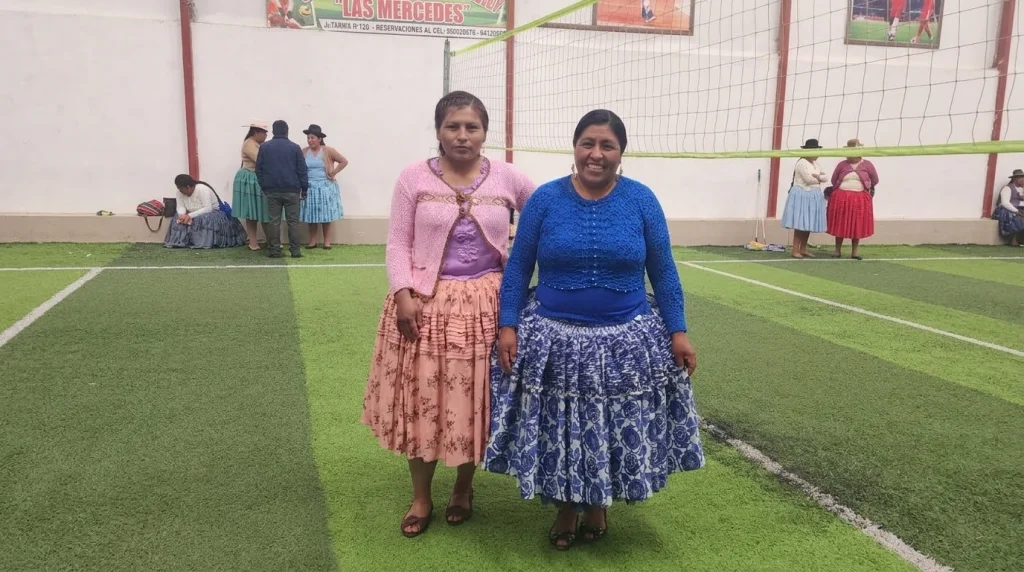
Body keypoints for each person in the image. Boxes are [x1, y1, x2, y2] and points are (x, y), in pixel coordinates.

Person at [483, 109, 704, 551]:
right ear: (575, 147)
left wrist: (678, 331)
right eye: (588, 143)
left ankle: (600, 504)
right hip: (553, 338)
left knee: (607, 423)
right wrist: (508, 324)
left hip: (625, 340)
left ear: (621, 153)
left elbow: (663, 270)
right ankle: (565, 507)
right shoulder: (545, 200)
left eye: (607, 145)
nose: (596, 154)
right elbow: (519, 267)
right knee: (561, 426)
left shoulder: (641, 200)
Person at [360, 91, 535, 538]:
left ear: (484, 132)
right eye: (453, 126)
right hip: (424, 306)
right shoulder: (412, 178)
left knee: (471, 402)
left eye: (471, 127)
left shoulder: (509, 178)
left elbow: (547, 213)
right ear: (438, 130)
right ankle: (421, 496)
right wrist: (402, 292)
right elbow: (398, 241)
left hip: (486, 308)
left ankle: (463, 487)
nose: (462, 135)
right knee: (423, 402)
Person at [256, 120, 308, 259]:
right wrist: (304, 189)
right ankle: (295, 251)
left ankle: (274, 251)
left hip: (272, 190)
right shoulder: (295, 148)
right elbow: (302, 170)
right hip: (292, 190)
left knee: (274, 222)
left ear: (273, 131)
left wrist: (264, 186)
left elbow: (259, 170)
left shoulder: (264, 147)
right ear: (287, 131)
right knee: (293, 222)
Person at [164, 175, 247, 249]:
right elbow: (180, 206)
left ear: (188, 187)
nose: (180, 191)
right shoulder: (179, 193)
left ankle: (201, 242)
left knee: (203, 218)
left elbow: (208, 208)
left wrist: (190, 216)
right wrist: (182, 215)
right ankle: (180, 242)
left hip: (211, 213)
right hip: (190, 214)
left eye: (181, 188)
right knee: (177, 218)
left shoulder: (203, 189)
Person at [299, 124, 348, 249]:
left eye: (312, 138)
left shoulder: (327, 150)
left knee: (326, 215)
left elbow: (343, 161)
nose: (310, 140)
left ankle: (327, 242)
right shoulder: (304, 151)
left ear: (319, 139)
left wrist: (334, 171)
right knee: (311, 214)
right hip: (310, 187)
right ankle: (313, 241)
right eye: (308, 138)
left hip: (325, 186)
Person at [827, 138, 878, 260]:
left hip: (859, 199)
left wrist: (868, 189)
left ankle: (854, 252)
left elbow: (875, 179)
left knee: (857, 224)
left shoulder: (867, 165)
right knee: (840, 223)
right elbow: (834, 180)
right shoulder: (842, 165)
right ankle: (837, 250)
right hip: (842, 198)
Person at [781, 138, 828, 258]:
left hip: (814, 194)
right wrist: (819, 177)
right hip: (803, 193)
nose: (817, 154)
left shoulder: (816, 164)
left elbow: (825, 177)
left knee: (808, 223)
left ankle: (803, 249)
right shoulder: (801, 163)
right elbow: (808, 179)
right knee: (800, 223)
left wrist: (819, 177)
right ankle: (795, 249)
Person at [234, 121, 270, 251]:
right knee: (251, 212)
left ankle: (270, 240)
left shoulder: (257, 144)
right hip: (249, 178)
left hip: (257, 178)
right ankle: (253, 242)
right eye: (264, 133)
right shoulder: (249, 144)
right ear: (256, 132)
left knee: (264, 210)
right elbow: (261, 161)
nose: (266, 135)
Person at [991, 169, 1024, 247]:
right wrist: (1017, 212)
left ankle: (1021, 239)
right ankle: (1014, 240)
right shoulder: (1007, 188)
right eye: (1020, 178)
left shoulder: (1022, 189)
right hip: (1006, 210)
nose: (1023, 180)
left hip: (1020, 209)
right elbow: (1005, 203)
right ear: (1014, 179)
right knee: (1015, 217)